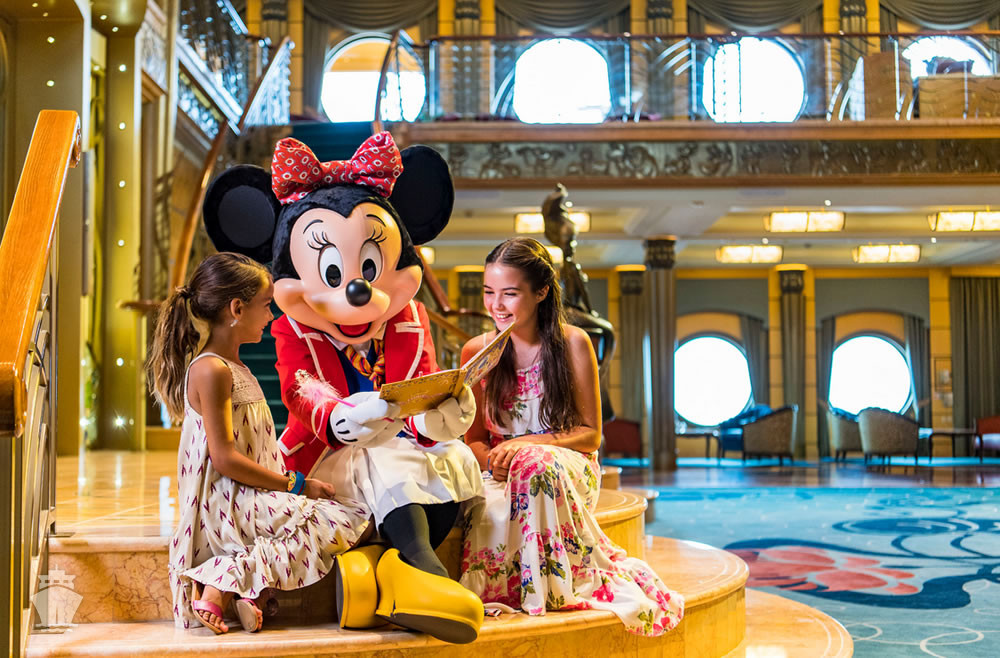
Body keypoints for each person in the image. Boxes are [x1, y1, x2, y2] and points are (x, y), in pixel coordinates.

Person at [199, 133, 485, 644]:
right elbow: (300, 390)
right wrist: (344, 415)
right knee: (386, 463)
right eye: (332, 272)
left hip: (403, 438)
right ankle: (425, 570)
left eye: (369, 268)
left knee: (451, 460)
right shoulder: (291, 329)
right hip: (330, 448)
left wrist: (441, 410)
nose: (355, 289)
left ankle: (387, 574)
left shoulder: (411, 317)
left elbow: (422, 377)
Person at [459, 237, 684, 636]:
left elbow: (590, 435)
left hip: (566, 465)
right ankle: (513, 592)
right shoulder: (476, 351)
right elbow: (473, 440)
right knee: (492, 504)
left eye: (510, 293)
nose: (496, 305)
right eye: (489, 292)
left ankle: (552, 591)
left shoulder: (573, 343)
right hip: (501, 471)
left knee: (536, 465)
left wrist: (526, 446)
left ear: (541, 292)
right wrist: (492, 460)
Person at [149, 252, 370, 634]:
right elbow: (224, 459)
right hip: (228, 502)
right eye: (266, 305)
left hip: (251, 494)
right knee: (339, 519)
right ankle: (223, 579)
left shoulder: (237, 369)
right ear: (237, 308)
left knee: (348, 515)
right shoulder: (212, 370)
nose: (271, 316)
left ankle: (244, 593)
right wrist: (296, 485)